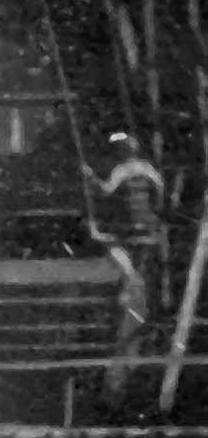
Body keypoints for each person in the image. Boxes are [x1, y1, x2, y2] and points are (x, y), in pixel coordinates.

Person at [91, 131, 170, 351]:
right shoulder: (148, 169)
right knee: (142, 256)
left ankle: (131, 278)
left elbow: (106, 191)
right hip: (147, 223)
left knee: (109, 244)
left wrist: (90, 178)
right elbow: (161, 190)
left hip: (129, 226)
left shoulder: (121, 170)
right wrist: (154, 212)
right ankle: (137, 284)